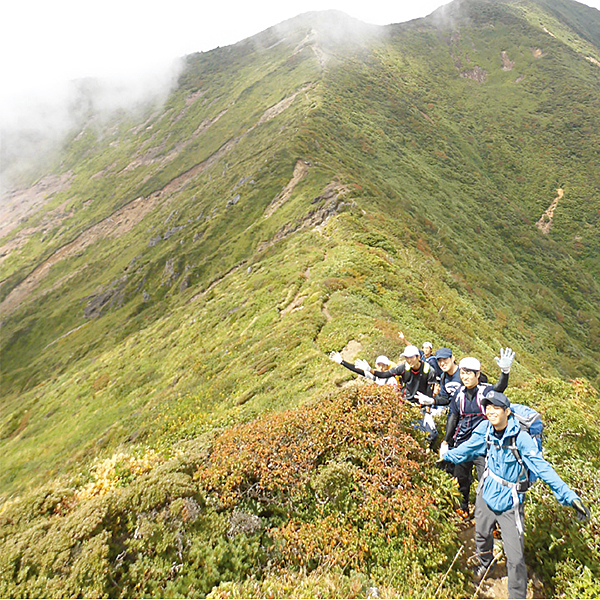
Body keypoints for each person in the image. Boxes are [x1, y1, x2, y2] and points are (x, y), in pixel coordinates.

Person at [440, 390, 591, 599]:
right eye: (488, 407)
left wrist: (570, 497)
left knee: (515, 556)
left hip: (510, 500)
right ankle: (486, 565)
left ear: (508, 412)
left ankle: (517, 595)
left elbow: (543, 469)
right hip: (487, 491)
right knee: (481, 535)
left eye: (496, 408)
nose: (491, 412)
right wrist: (447, 456)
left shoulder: (522, 440)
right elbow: (467, 449)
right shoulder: (485, 429)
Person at [439, 348, 515, 518]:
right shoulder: (459, 394)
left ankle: (491, 518)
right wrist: (446, 441)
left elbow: (500, 387)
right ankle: (463, 507)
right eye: (462, 373)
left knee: (487, 480)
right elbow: (453, 417)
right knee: (461, 478)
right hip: (464, 444)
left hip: (484, 446)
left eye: (469, 373)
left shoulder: (485, 392)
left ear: (478, 374)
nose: (465, 377)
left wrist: (505, 372)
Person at [357, 345, 438, 445]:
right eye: (407, 358)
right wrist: (370, 370)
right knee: (408, 432)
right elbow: (384, 374)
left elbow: (430, 392)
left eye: (411, 357)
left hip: (421, 406)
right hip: (406, 403)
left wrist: (428, 411)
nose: (409, 360)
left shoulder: (429, 371)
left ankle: (428, 450)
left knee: (432, 434)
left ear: (418, 357)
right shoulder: (404, 368)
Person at [329, 351, 397, 387]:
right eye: (379, 365)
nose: (381, 368)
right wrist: (342, 362)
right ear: (375, 365)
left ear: (387, 366)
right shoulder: (374, 374)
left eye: (384, 365)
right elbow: (357, 370)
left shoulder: (391, 378)